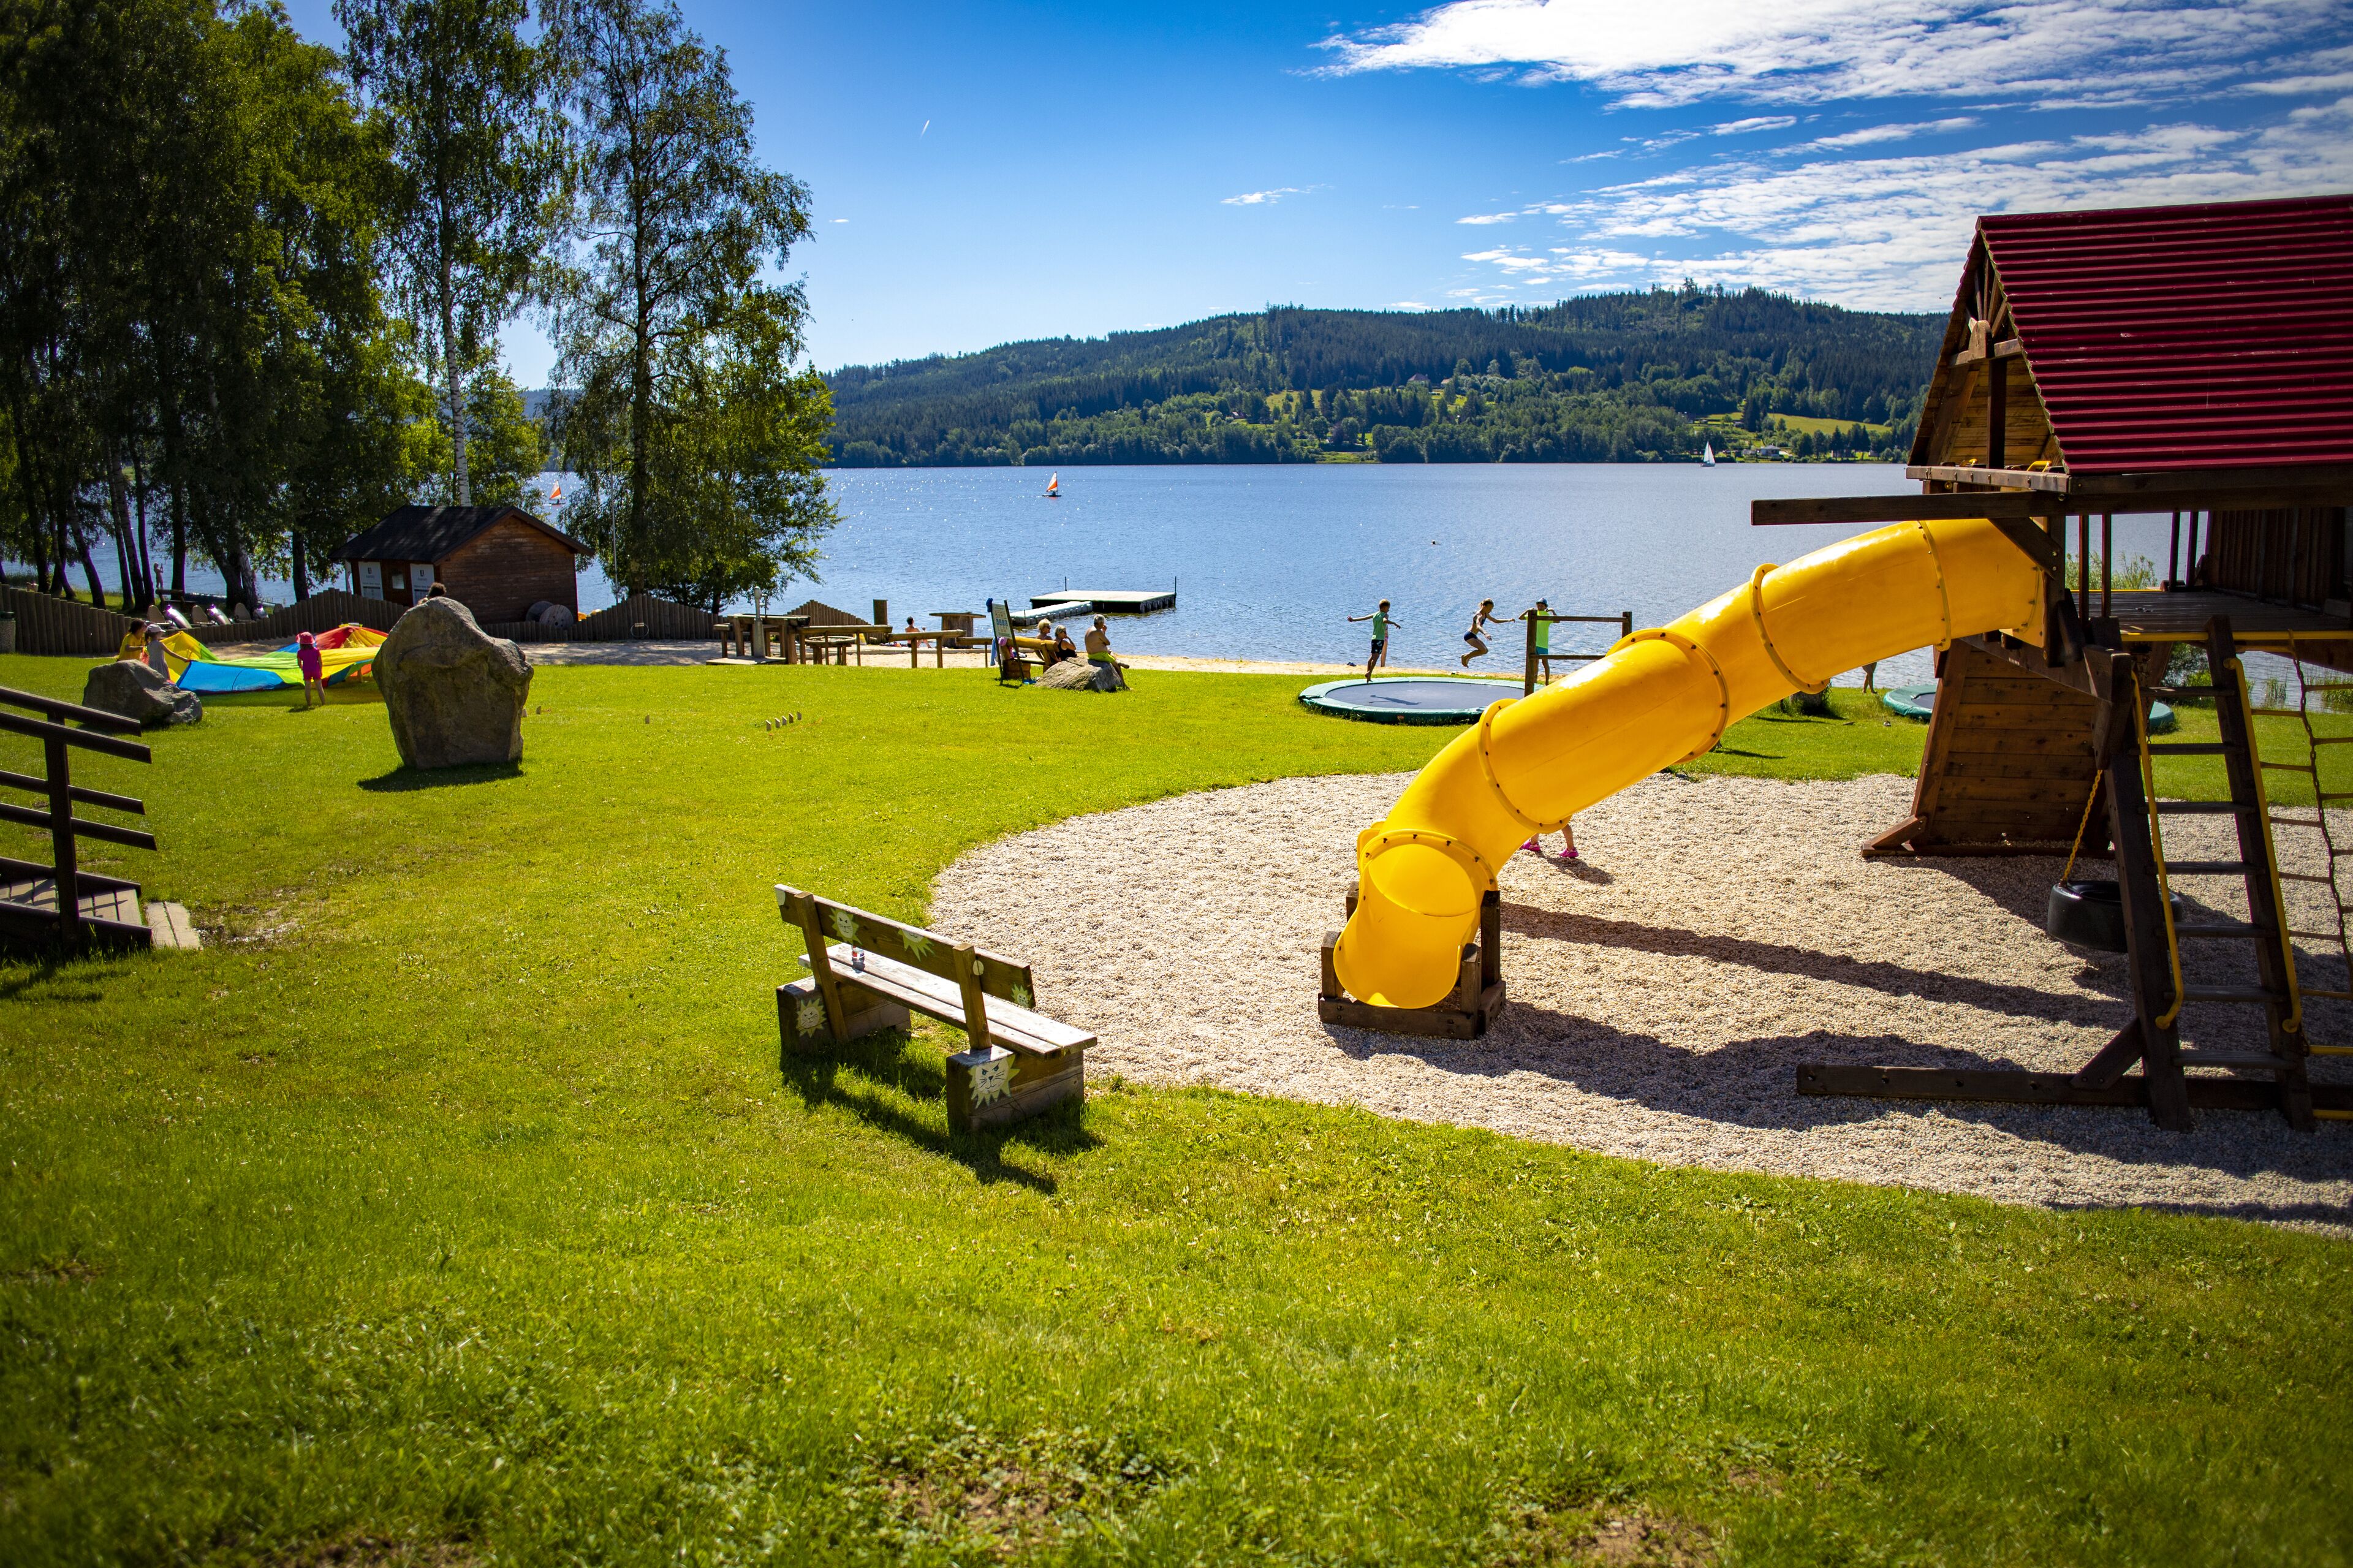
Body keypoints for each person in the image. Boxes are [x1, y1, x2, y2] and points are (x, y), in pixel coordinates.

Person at [1347, 600, 1396, 678]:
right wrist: (1394, 623)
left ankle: (1368, 675)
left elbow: (1364, 618)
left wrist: (1353, 620)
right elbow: (1385, 621)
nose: (1389, 610)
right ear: (1384, 608)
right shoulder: (1385, 615)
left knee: (1372, 657)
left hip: (1374, 639)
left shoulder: (1375, 614)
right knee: (1376, 657)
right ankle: (1369, 673)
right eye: (1388, 608)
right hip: (1380, 639)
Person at [1084, 614, 1128, 690]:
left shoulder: (1089, 629)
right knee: (1117, 666)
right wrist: (1103, 631)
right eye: (1103, 623)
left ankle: (1118, 661)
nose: (1104, 624)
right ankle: (1124, 685)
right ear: (1101, 623)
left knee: (1109, 650)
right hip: (1100, 655)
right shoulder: (1098, 631)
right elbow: (1107, 642)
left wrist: (1103, 631)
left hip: (1092, 655)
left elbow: (1102, 642)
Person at [1460, 598, 1499, 667]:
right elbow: (1478, 626)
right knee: (1483, 650)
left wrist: (1509, 620)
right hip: (1469, 636)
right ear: (1484, 607)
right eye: (1490, 609)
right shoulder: (1479, 615)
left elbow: (1495, 621)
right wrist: (1485, 633)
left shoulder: (1486, 614)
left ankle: (1468, 657)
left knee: (1486, 651)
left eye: (1492, 609)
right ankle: (1465, 657)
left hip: (1474, 635)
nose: (1491, 611)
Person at [295, 629, 327, 709]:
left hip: (306, 671)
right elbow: (320, 662)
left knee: (307, 688)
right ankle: (323, 703)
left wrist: (302, 668)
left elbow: (299, 663)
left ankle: (309, 703)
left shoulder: (300, 652)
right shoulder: (316, 651)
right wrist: (321, 670)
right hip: (316, 670)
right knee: (319, 687)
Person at [1526, 599, 1553, 683]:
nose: (1540, 606)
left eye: (1542, 605)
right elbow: (1520, 618)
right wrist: (1527, 611)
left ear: (1545, 607)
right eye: (1538, 605)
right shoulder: (1533, 614)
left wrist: (1553, 611)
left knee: (1545, 662)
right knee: (1535, 663)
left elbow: (1558, 620)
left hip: (1543, 644)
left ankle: (1547, 681)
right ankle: (1535, 680)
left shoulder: (1547, 615)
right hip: (1534, 643)